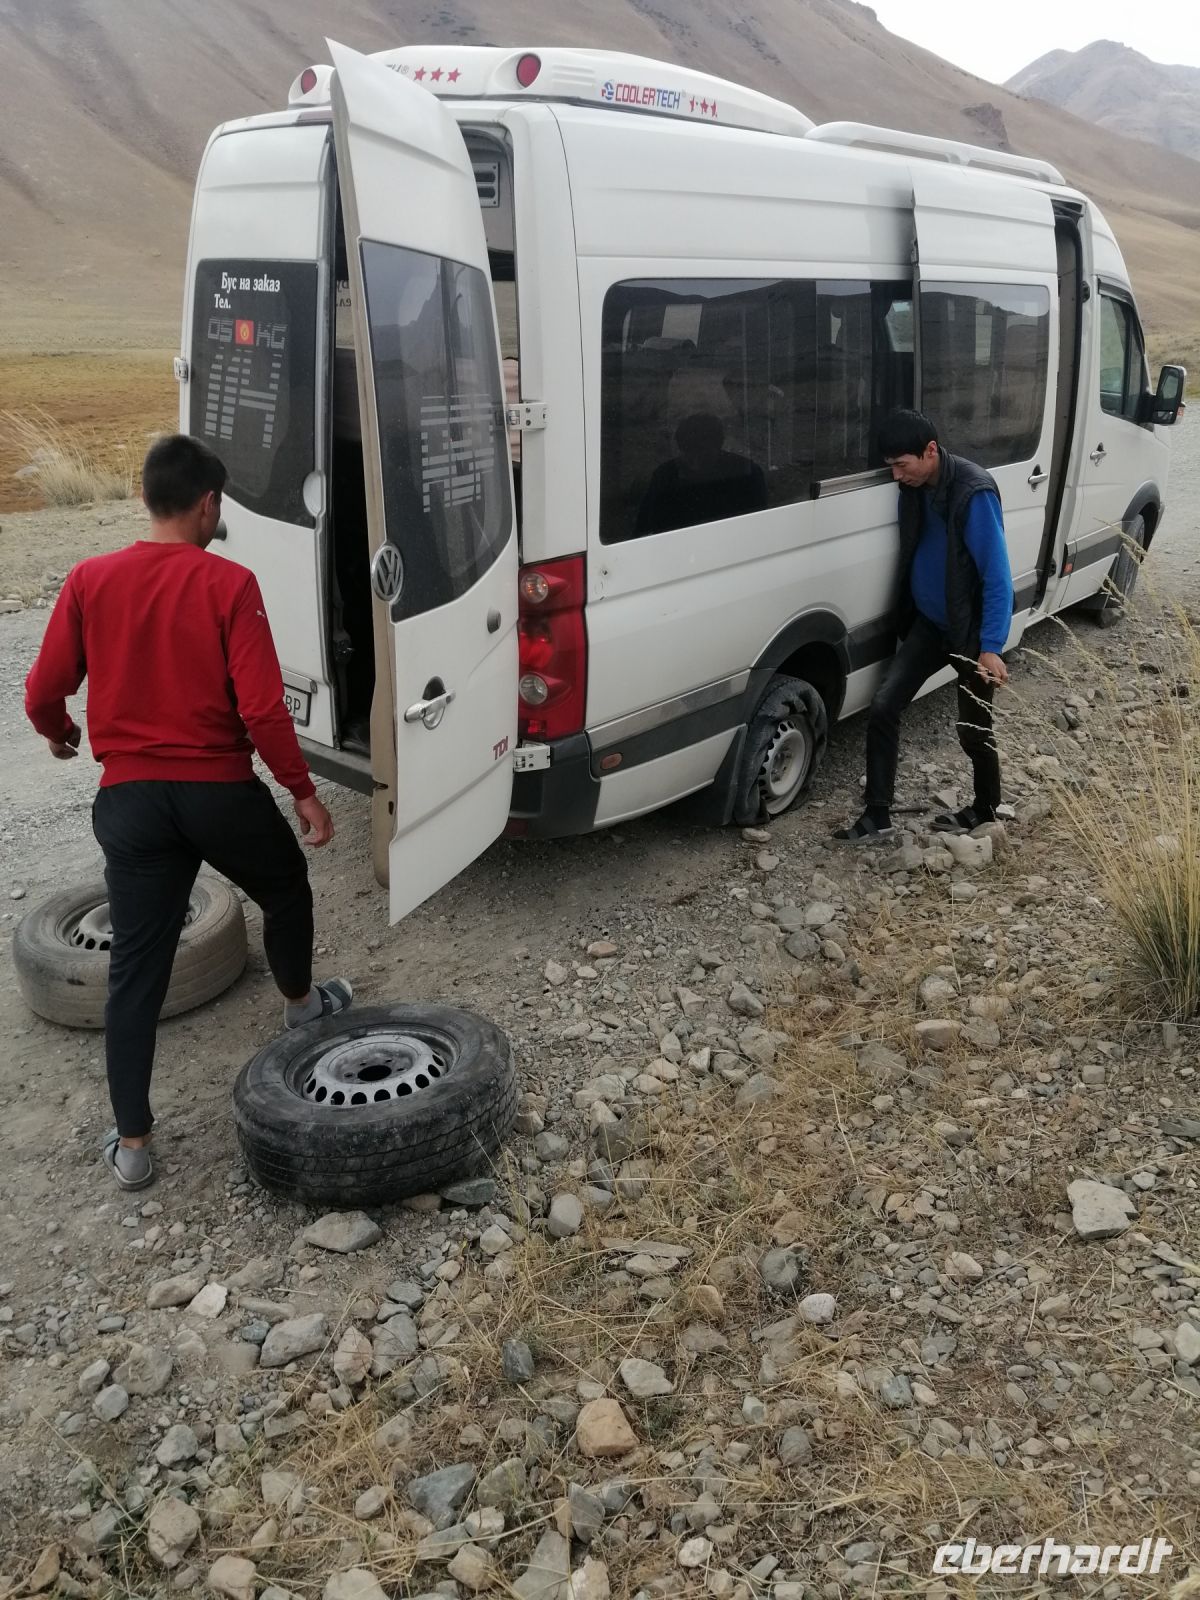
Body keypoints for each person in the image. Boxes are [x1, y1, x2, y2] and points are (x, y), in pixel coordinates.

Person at [24, 435, 353, 1191]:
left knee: (136, 969)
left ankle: (134, 1146)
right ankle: (302, 1005)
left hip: (132, 803)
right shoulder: (229, 584)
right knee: (285, 886)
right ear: (208, 504)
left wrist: (61, 734)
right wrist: (301, 790)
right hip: (217, 794)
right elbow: (263, 709)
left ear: (145, 497)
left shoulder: (89, 579)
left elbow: (43, 689)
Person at [835, 408, 1014, 842]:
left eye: (902, 464)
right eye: (890, 467)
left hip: (969, 634)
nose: (897, 476)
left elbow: (997, 576)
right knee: (884, 705)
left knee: (973, 728)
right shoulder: (914, 488)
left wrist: (990, 646)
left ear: (930, 451)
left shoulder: (973, 492)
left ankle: (987, 809)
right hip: (931, 625)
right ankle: (877, 816)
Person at [635, 412, 768, 535]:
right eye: (689, 453)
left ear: (719, 446)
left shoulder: (746, 472)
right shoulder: (664, 476)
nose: (696, 463)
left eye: (704, 454)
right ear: (681, 448)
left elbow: (759, 527)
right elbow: (643, 529)